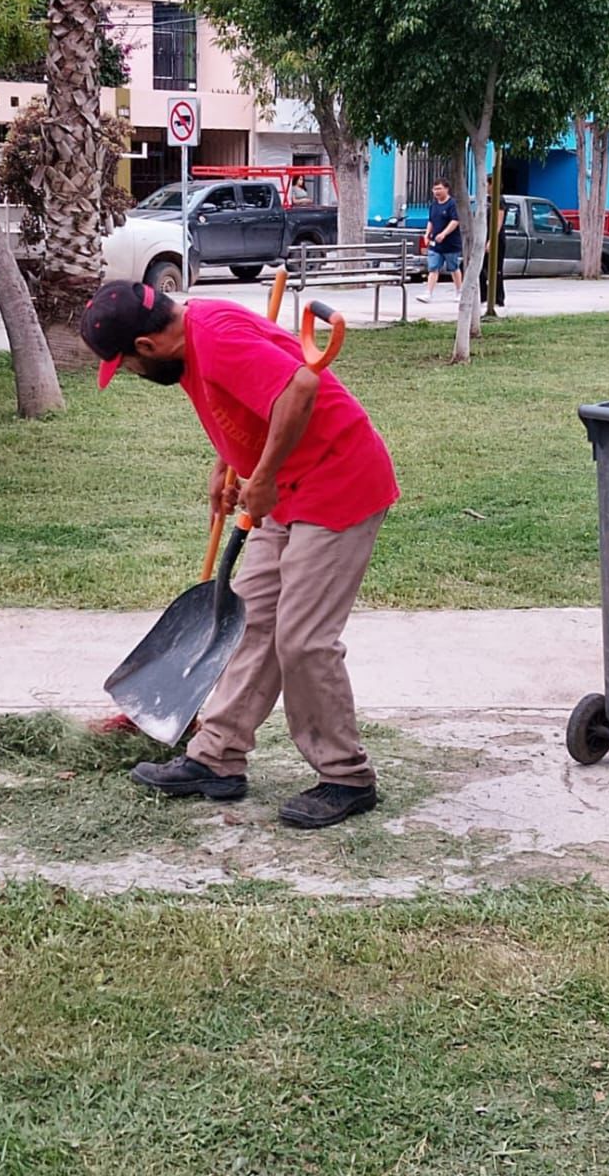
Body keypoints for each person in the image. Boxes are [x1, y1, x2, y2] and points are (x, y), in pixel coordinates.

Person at [80, 282, 399, 829]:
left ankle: (347, 777)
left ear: (146, 346)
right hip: (286, 489)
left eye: (126, 364)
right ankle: (217, 758)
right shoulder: (190, 335)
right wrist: (227, 462)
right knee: (247, 621)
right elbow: (245, 402)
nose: (131, 372)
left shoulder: (215, 339)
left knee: (303, 640)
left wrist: (264, 476)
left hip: (336, 484)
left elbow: (300, 387)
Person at [418, 177, 463, 303]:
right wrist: (427, 234)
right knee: (433, 267)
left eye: (439, 189)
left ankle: (459, 291)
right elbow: (431, 221)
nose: (436, 192)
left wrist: (444, 234)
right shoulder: (433, 205)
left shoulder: (452, 204)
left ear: (447, 189)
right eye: (434, 189)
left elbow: (455, 221)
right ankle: (428, 293)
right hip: (435, 244)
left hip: (451, 243)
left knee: (453, 267)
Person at [479, 175, 508, 312]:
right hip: (483, 236)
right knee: (480, 268)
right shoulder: (485, 200)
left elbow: (498, 222)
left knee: (495, 269)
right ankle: (483, 296)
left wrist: (492, 240)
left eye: (487, 184)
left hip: (495, 238)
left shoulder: (499, 200)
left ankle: (498, 298)